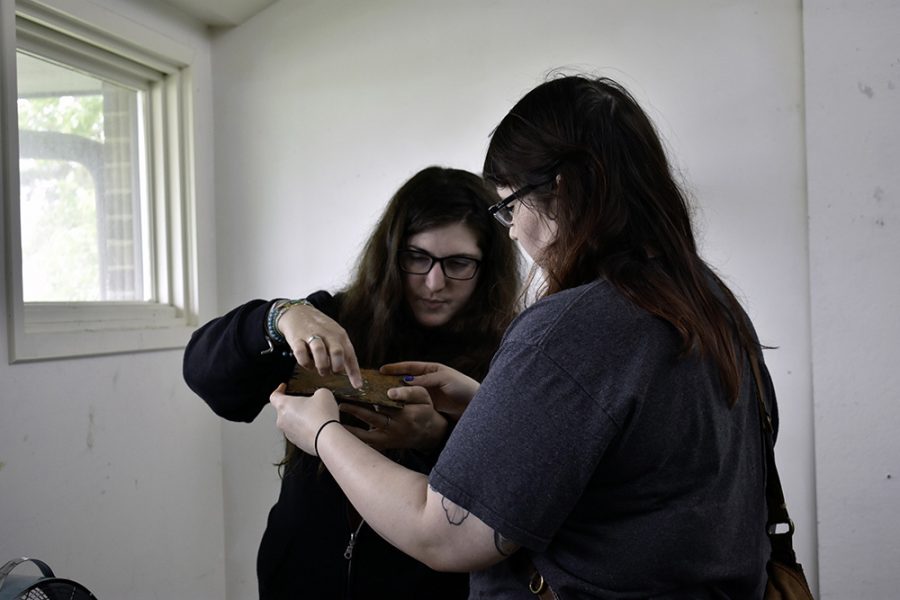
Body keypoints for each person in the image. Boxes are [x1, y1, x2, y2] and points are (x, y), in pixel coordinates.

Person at [269, 74, 776, 598]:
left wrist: (323, 435)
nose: (510, 229)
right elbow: (637, 464)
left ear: (558, 190)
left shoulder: (571, 327)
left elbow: (440, 534)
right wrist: (491, 405)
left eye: (510, 205)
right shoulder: (710, 302)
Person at [183, 165, 521, 599]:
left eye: (458, 263)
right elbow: (207, 377)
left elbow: (510, 492)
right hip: (300, 576)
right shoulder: (334, 318)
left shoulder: (512, 352)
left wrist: (440, 435)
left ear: (487, 265)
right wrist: (278, 315)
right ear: (391, 252)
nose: (434, 283)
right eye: (417, 257)